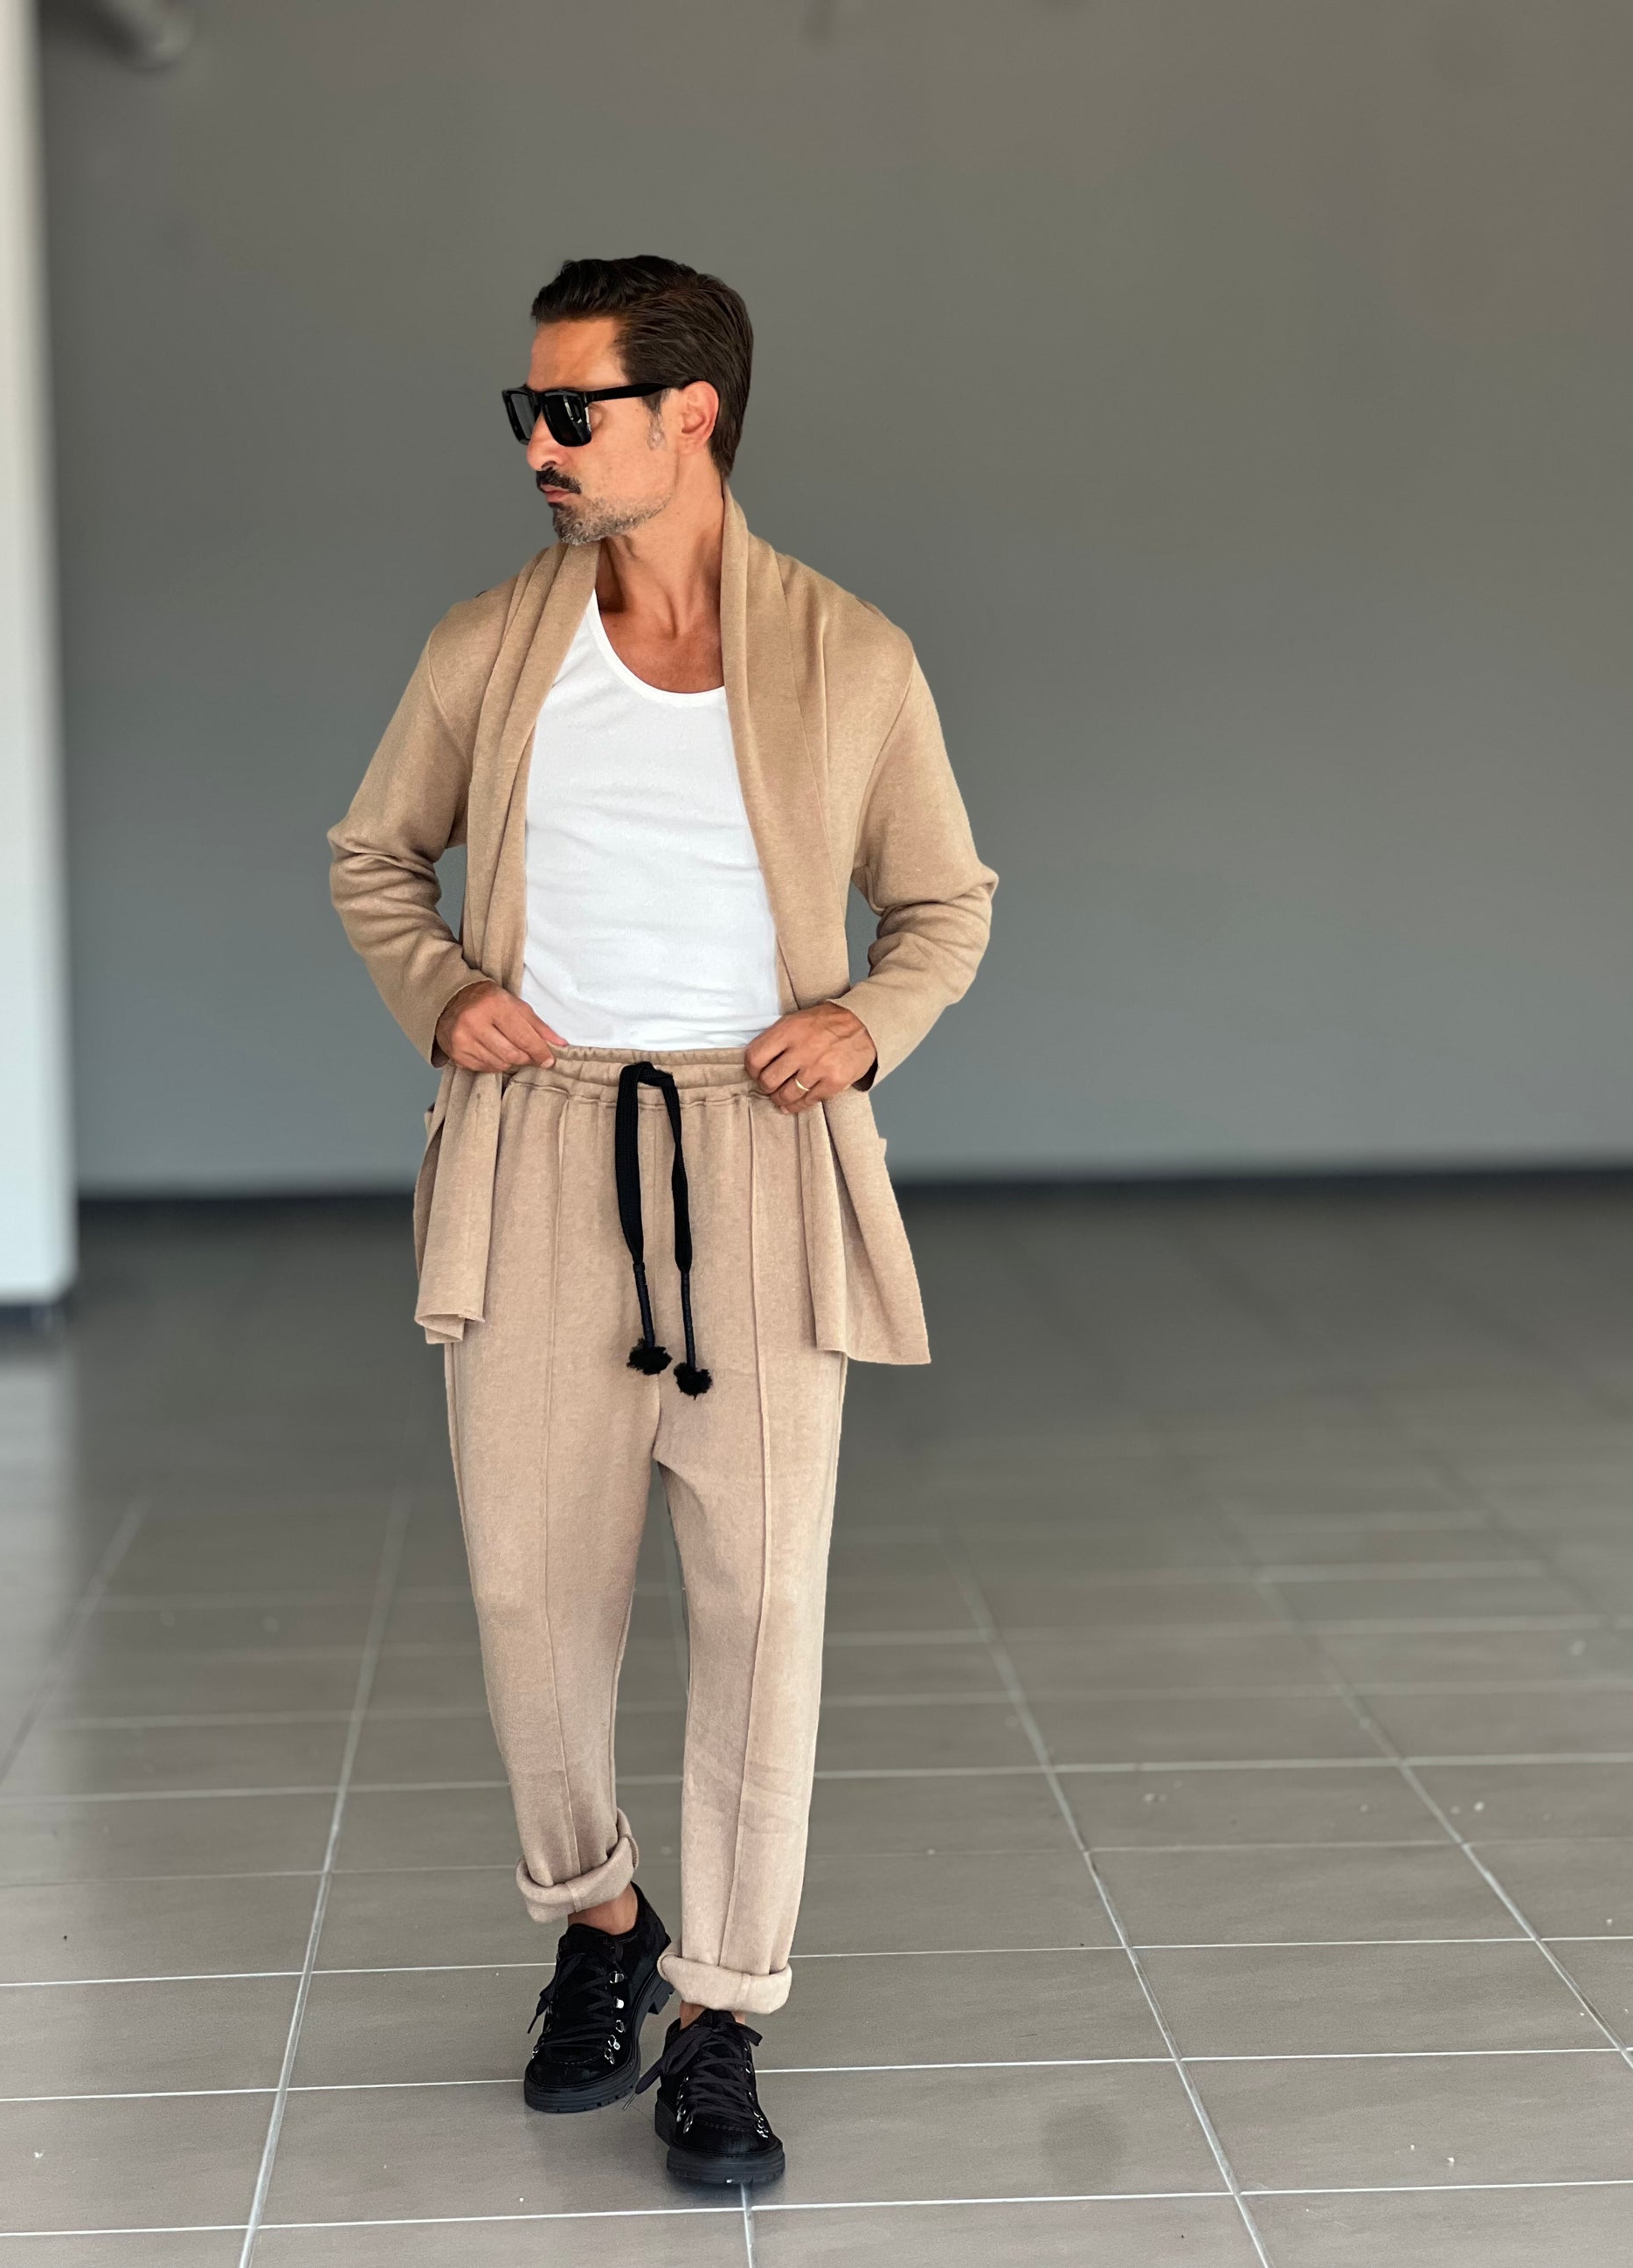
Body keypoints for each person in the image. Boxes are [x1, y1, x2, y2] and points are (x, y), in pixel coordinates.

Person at [329, 254, 993, 2188]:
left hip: (760, 1155)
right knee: (529, 1591)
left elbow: (942, 901)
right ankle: (600, 1920)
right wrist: (442, 992)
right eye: (525, 411)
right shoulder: (488, 647)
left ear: (689, 413)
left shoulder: (849, 656)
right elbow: (377, 854)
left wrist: (863, 1025)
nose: (538, 444)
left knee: (762, 1605)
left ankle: (720, 2014)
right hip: (539, 1144)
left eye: (572, 410)